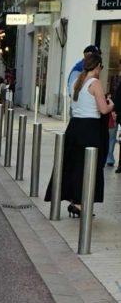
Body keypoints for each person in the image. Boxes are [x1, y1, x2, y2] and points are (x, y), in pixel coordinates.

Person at [45, 52, 113, 218]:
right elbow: (103, 109)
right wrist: (111, 104)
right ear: (97, 66)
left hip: (74, 127)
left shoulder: (77, 82)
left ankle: (75, 201)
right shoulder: (95, 83)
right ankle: (79, 204)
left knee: (74, 165)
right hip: (89, 128)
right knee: (89, 166)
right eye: (101, 67)